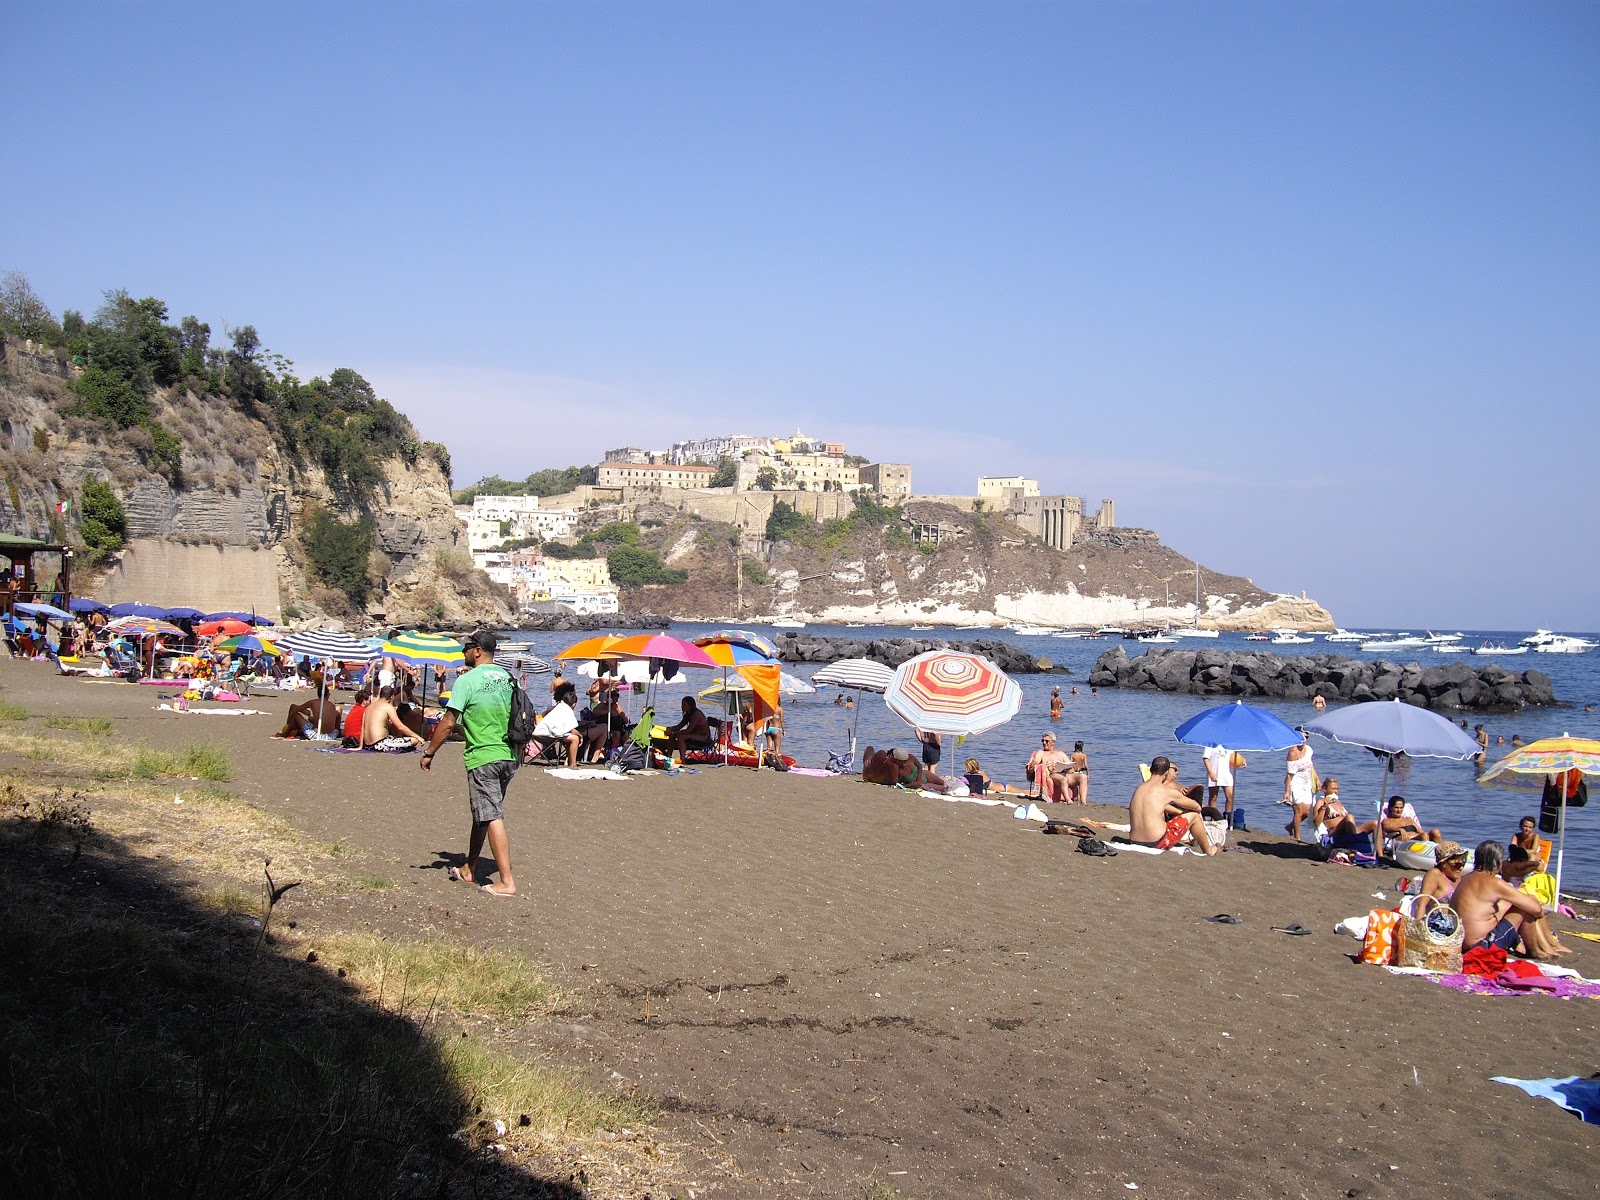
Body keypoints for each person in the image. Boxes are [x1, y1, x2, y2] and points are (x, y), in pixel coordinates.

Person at [420, 630, 517, 897]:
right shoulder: (509, 678)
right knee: (483, 812)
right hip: (508, 755)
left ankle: (507, 882)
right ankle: (470, 868)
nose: (463, 652)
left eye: (466, 647)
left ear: (477, 651)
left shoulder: (466, 681)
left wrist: (430, 752)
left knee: (491, 814)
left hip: (484, 756)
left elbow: (449, 721)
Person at [1453, 841, 1551, 957]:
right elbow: (1536, 909)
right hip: (1481, 946)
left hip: (1459, 943)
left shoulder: (1466, 878)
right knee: (1524, 907)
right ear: (1498, 863)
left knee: (1507, 903)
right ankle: (1534, 951)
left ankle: (1533, 948)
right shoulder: (1495, 883)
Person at [1129, 756, 1217, 855]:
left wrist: (1179, 812)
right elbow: (1196, 807)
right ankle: (1209, 850)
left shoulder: (1139, 788)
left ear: (1150, 770)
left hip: (1134, 840)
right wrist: (1183, 806)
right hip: (1156, 842)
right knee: (1194, 815)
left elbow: (1156, 806)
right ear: (1166, 773)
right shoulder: (1166, 791)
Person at [1358, 795, 1443, 846]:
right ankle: (1429, 854)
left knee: (1435, 831)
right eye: (1396, 808)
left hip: (1419, 838)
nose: (1399, 810)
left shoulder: (1409, 819)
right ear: (1390, 808)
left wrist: (1428, 835)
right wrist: (1400, 829)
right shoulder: (1387, 821)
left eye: (1401, 808)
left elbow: (1421, 832)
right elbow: (1386, 828)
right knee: (1423, 836)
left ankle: (1443, 851)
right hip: (1402, 842)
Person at [362, 685, 426, 752]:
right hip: (379, 744)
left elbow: (363, 727)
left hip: (367, 745)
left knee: (392, 736)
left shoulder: (369, 707)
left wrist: (361, 746)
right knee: (414, 740)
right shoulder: (388, 707)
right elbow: (400, 727)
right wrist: (418, 737)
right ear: (392, 697)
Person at [534, 681, 583, 767]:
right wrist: (581, 736)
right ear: (574, 704)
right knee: (575, 738)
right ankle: (573, 764)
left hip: (539, 733)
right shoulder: (567, 710)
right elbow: (572, 729)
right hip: (546, 735)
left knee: (570, 738)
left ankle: (568, 762)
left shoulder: (560, 707)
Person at [861, 745, 945, 791]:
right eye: (903, 761)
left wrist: (918, 780)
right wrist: (912, 785)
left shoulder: (910, 757)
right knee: (945, 788)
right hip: (922, 783)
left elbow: (919, 766)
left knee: (944, 783)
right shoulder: (895, 769)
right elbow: (897, 784)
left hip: (923, 775)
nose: (905, 763)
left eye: (906, 760)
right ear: (895, 760)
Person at [658, 696, 712, 762]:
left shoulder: (697, 714)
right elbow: (679, 726)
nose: (682, 706)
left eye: (684, 705)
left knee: (681, 737)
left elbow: (688, 730)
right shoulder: (687, 715)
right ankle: (669, 756)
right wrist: (669, 729)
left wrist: (673, 732)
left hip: (704, 737)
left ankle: (683, 760)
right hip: (694, 735)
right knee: (672, 735)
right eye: (682, 704)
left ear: (690, 705)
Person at [1282, 739, 1316, 840]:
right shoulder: (1292, 753)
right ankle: (1298, 837)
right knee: (1299, 812)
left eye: (1306, 737)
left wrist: (1317, 778)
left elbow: (1311, 765)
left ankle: (1290, 826)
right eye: (1301, 737)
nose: (1304, 740)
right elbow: (1289, 774)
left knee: (1308, 812)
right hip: (1295, 783)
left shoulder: (1309, 750)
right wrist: (1287, 791)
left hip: (1307, 783)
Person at [1025, 732, 1071, 801]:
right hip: (1052, 774)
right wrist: (1045, 766)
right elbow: (1035, 763)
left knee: (1083, 777)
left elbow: (1070, 765)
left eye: (1046, 741)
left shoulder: (1060, 753)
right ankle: (1068, 800)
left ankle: (1083, 802)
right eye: (1042, 741)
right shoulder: (1041, 753)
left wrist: (1070, 768)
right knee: (1064, 779)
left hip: (1063, 773)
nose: (1044, 743)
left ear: (1053, 742)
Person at [1202, 744, 1235, 820]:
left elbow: (1234, 757)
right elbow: (1206, 758)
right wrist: (1211, 773)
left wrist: (1242, 760)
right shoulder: (1211, 744)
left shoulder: (1229, 744)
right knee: (1213, 797)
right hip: (1214, 772)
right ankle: (1212, 818)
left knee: (1230, 796)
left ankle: (1228, 817)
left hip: (1226, 774)